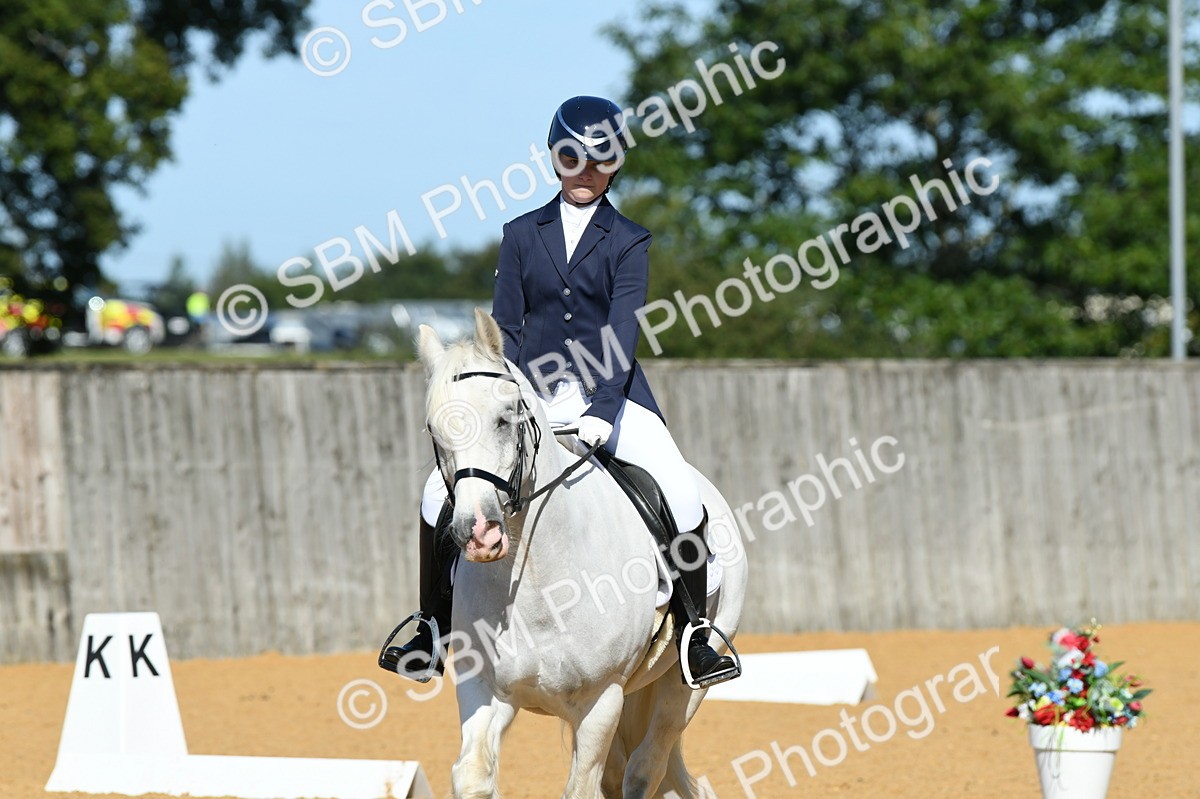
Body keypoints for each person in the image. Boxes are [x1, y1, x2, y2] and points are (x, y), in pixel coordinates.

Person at [380, 96, 738, 689]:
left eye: (600, 161)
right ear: (554, 157)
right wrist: (518, 398)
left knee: (678, 488)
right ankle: (430, 627)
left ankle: (696, 631)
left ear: (616, 165)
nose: (585, 171)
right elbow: (506, 329)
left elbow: (622, 330)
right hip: (531, 396)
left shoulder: (629, 240)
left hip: (612, 397)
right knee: (435, 492)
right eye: (572, 158)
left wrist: (604, 409)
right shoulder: (521, 234)